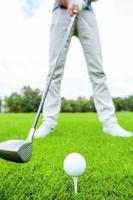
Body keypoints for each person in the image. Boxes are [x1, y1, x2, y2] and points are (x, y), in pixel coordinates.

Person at [34, 0, 132, 138]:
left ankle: (110, 123)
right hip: (61, 11)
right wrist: (69, 2)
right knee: (54, 72)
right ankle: (48, 122)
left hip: (86, 12)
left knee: (97, 70)